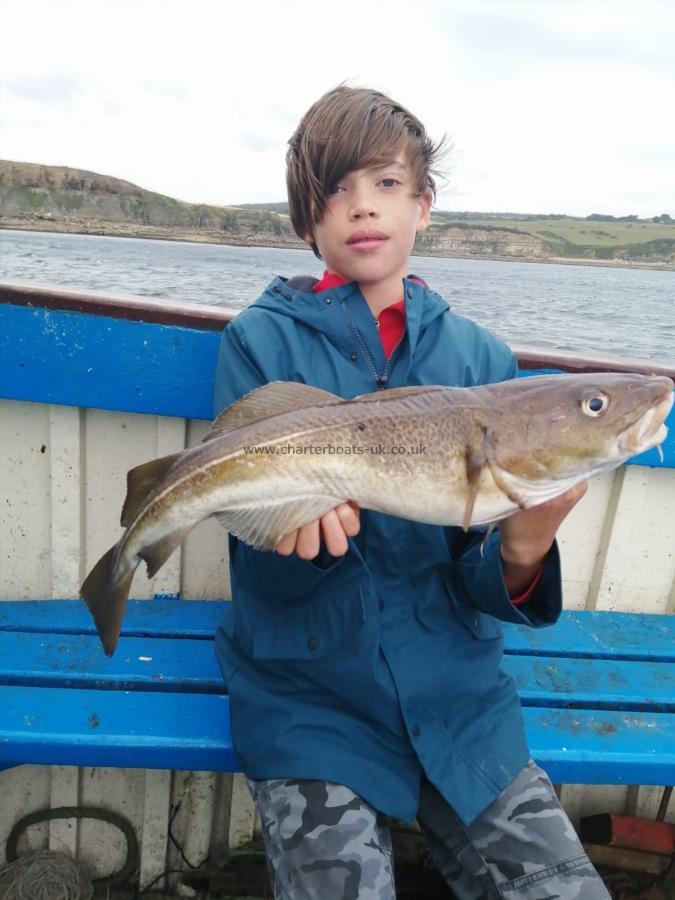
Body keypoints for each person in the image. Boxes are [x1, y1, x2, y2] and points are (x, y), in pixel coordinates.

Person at [213, 86, 608, 900]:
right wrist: (299, 541)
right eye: (334, 189)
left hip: (459, 706)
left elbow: (475, 577)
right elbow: (263, 573)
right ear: (305, 219)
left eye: (386, 185)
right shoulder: (258, 343)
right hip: (310, 706)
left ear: (423, 206)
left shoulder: (481, 359)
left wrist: (524, 547)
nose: (361, 208)